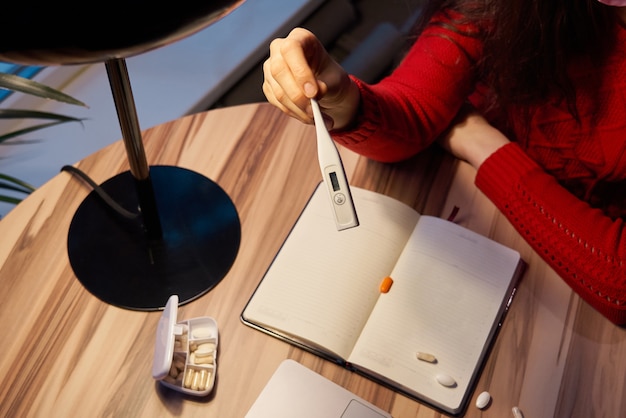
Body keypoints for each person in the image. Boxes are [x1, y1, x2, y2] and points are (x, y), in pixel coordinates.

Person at [262, 0, 626, 325]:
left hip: (569, 281)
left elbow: (619, 283)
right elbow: (415, 111)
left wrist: (480, 143)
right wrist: (344, 101)